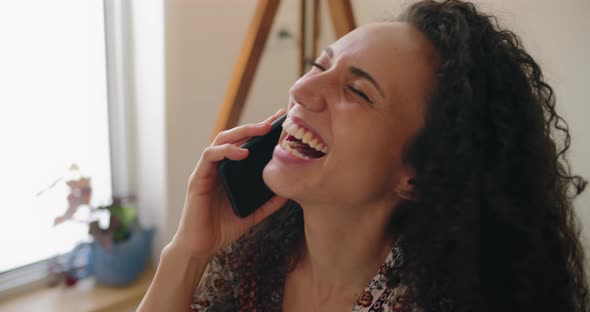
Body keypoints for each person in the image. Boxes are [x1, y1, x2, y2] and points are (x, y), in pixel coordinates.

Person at [138, 0, 589, 311]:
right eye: (319, 65)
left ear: (418, 174)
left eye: (356, 91)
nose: (301, 90)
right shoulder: (249, 258)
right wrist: (186, 254)